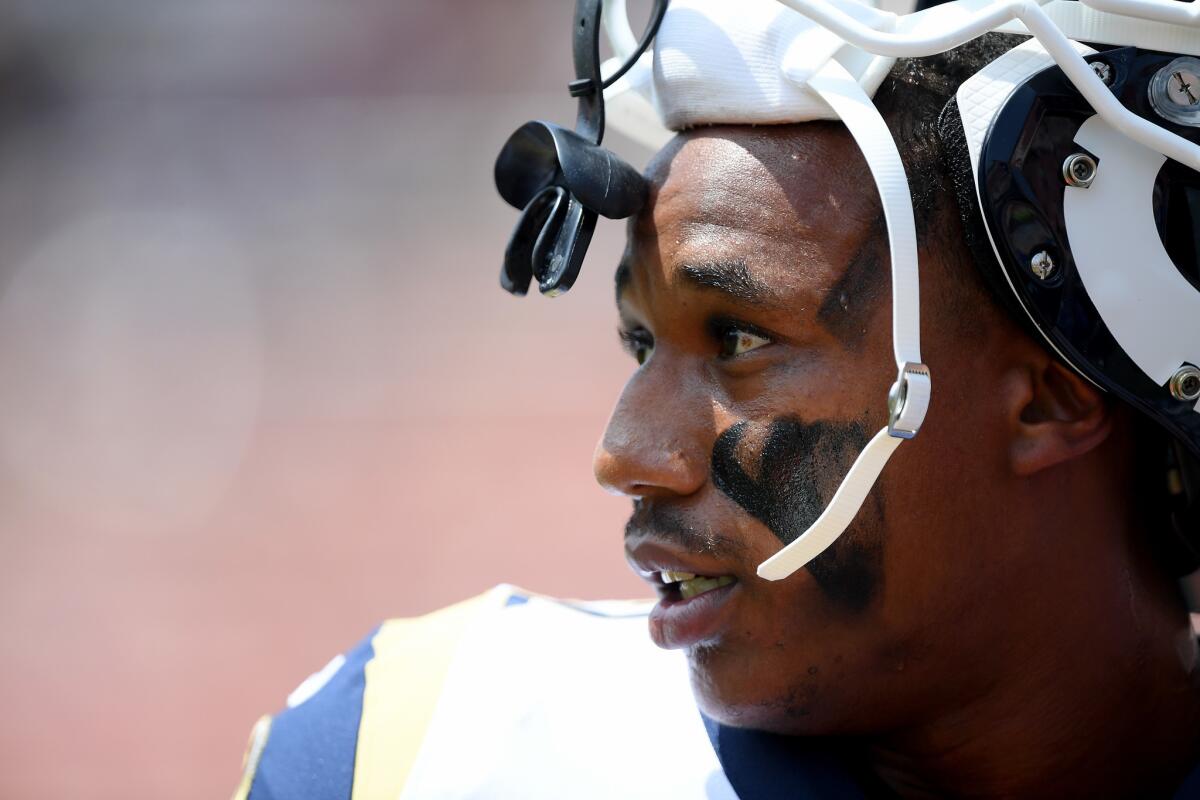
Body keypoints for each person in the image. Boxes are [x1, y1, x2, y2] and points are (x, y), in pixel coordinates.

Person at [233, 0, 1200, 797]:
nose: (626, 453)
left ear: (1050, 398)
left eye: (737, 340)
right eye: (641, 344)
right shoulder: (415, 749)